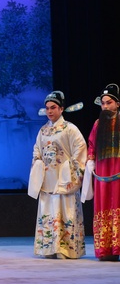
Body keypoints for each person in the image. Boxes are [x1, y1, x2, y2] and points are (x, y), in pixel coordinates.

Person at [28, 91, 87, 259]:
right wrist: (38, 163)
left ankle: (66, 249)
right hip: (47, 179)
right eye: (47, 108)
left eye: (53, 107)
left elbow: (80, 150)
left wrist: (69, 169)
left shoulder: (70, 129)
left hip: (64, 178)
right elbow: (37, 150)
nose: (49, 111)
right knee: (48, 212)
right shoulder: (43, 131)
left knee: (66, 211)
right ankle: (48, 248)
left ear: (61, 109)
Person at [83, 82, 120, 261]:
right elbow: (91, 144)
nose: (105, 106)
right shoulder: (98, 124)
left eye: (109, 103)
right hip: (103, 173)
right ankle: (105, 249)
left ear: (117, 104)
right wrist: (90, 159)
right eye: (103, 103)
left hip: (118, 170)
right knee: (103, 205)